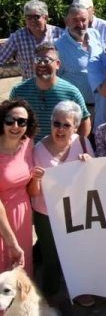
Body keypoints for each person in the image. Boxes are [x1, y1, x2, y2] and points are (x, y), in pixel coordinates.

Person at [30, 101, 93, 307]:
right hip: (46, 214)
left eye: (66, 125)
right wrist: (36, 179)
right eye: (56, 123)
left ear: (75, 127)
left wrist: (89, 166)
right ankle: (51, 295)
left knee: (78, 252)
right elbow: (33, 193)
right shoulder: (38, 149)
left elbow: (94, 182)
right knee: (51, 259)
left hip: (76, 212)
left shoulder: (83, 144)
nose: (60, 129)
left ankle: (80, 290)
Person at [9, 42, 91, 141]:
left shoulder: (71, 93)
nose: (42, 64)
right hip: (27, 151)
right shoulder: (18, 91)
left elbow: (84, 121)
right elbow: (9, 121)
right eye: (38, 60)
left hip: (60, 152)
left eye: (47, 60)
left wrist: (78, 145)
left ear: (57, 64)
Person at [0, 99, 38, 276]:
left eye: (22, 121)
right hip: (2, 217)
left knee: (21, 269)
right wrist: (10, 240)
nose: (16, 126)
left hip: (22, 215)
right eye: (10, 120)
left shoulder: (27, 143)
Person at [0, 0, 63, 79]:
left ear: (45, 17)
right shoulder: (17, 37)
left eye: (37, 17)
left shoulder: (59, 34)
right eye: (29, 17)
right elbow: (1, 57)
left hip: (55, 86)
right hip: (29, 88)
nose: (32, 21)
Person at [55, 2, 103, 104]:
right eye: (75, 20)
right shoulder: (58, 47)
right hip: (76, 108)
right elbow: (55, 80)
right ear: (66, 21)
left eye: (83, 20)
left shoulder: (95, 35)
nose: (80, 25)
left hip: (101, 104)